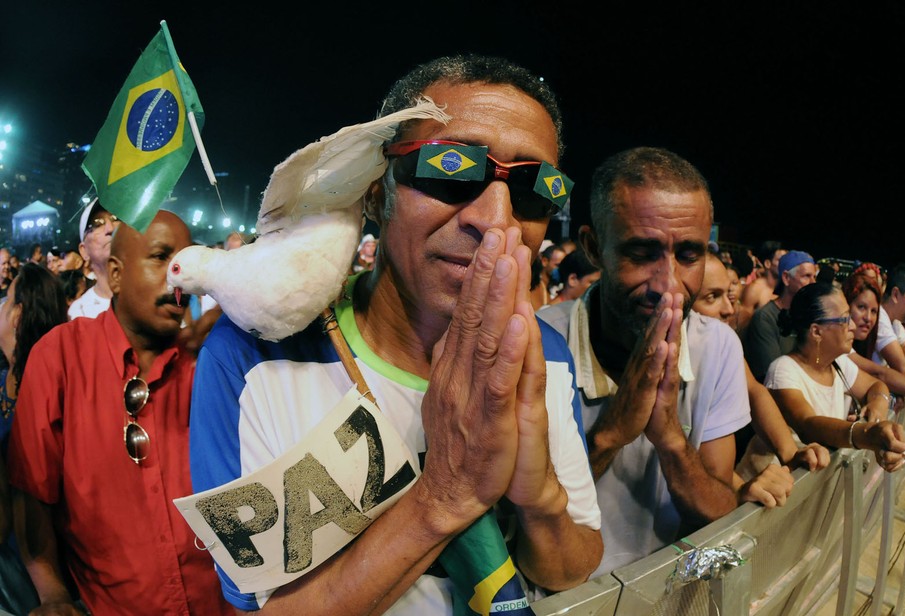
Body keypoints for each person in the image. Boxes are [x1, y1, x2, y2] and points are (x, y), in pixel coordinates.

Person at [188, 54, 601, 614]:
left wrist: (541, 499)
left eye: (532, 188)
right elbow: (260, 608)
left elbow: (571, 565)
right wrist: (444, 496)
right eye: (450, 168)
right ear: (377, 192)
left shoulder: (541, 355)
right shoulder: (254, 358)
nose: (496, 219)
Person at [538, 146, 765, 577]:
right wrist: (610, 434)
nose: (669, 285)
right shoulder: (538, 346)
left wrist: (672, 441)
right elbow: (527, 529)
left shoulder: (716, 347)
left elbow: (719, 511)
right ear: (593, 247)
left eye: (689, 255)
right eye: (641, 254)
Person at [6, 211, 232, 615]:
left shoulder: (210, 363)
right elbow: (32, 495)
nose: (177, 277)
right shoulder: (60, 358)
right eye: (161, 257)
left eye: (184, 261)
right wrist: (53, 594)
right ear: (114, 274)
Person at [692, 253, 829, 490]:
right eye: (712, 297)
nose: (728, 309)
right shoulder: (763, 319)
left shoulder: (723, 343)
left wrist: (791, 453)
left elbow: (754, 391)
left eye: (729, 294)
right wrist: (740, 491)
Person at [765, 282, 905, 472]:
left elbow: (875, 385)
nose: (853, 325)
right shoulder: (783, 371)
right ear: (816, 331)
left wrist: (878, 406)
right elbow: (808, 425)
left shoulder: (838, 363)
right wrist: (865, 433)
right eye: (845, 319)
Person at [0, 262, 68, 615]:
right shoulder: (57, 385)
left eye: (5, 301)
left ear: (17, 315)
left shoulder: (44, 394)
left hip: (33, 572)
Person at [841, 272, 905, 438]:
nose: (868, 318)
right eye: (861, 307)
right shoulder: (839, 345)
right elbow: (892, 369)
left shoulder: (891, 323)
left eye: (873, 311)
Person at [744, 250, 817, 382]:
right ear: (786, 278)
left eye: (814, 276)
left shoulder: (809, 316)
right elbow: (773, 376)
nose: (813, 283)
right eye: (806, 276)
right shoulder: (765, 318)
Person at [68, 198, 119, 319]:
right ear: (83, 250)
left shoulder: (151, 295)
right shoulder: (78, 313)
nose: (110, 229)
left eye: (116, 218)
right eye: (97, 223)